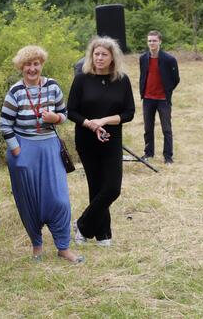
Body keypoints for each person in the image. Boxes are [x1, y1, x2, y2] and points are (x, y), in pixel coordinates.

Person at [0, 45, 84, 264]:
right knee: (29, 201)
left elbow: (64, 114)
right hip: (23, 149)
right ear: (21, 67)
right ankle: (37, 245)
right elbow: (5, 125)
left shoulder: (53, 86)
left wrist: (55, 118)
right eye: (28, 64)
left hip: (49, 148)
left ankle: (63, 247)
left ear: (41, 64)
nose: (32, 68)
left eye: (36, 63)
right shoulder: (15, 91)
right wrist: (18, 152)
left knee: (59, 199)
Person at [68, 36, 135, 248]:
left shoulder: (122, 80)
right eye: (96, 54)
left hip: (112, 140)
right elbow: (71, 111)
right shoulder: (82, 79)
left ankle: (82, 225)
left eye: (104, 54)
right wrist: (91, 124)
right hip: (86, 140)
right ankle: (103, 234)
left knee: (112, 188)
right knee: (96, 187)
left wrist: (104, 121)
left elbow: (129, 112)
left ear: (112, 57)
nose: (99, 57)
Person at [139, 30, 180, 164]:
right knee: (148, 128)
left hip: (163, 100)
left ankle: (168, 157)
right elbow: (143, 76)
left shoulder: (169, 59)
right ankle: (148, 153)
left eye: (154, 40)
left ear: (160, 42)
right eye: (150, 40)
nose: (152, 43)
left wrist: (167, 91)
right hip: (148, 99)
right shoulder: (143, 58)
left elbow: (176, 79)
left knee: (166, 129)